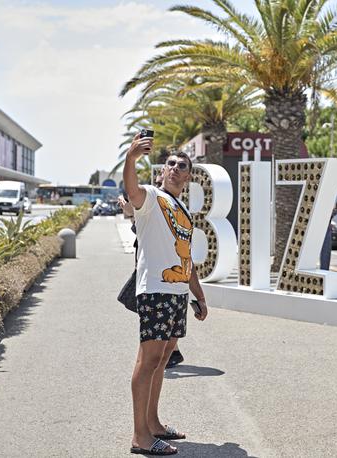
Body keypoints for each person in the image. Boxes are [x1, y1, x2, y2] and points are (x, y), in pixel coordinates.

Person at [124, 134, 208, 456]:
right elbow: (132, 190)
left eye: (181, 166)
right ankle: (140, 437)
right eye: (170, 164)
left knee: (161, 360)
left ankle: (154, 424)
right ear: (162, 171)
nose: (175, 168)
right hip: (156, 291)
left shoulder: (182, 210)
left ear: (187, 177)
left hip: (175, 293)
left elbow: (186, 259)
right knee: (148, 362)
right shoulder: (150, 198)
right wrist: (131, 158)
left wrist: (198, 295)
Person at [120, 175, 185, 370]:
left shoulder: (166, 204)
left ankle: (171, 352)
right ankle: (169, 352)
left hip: (158, 278)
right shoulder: (159, 202)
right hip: (154, 274)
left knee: (151, 352)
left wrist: (131, 213)